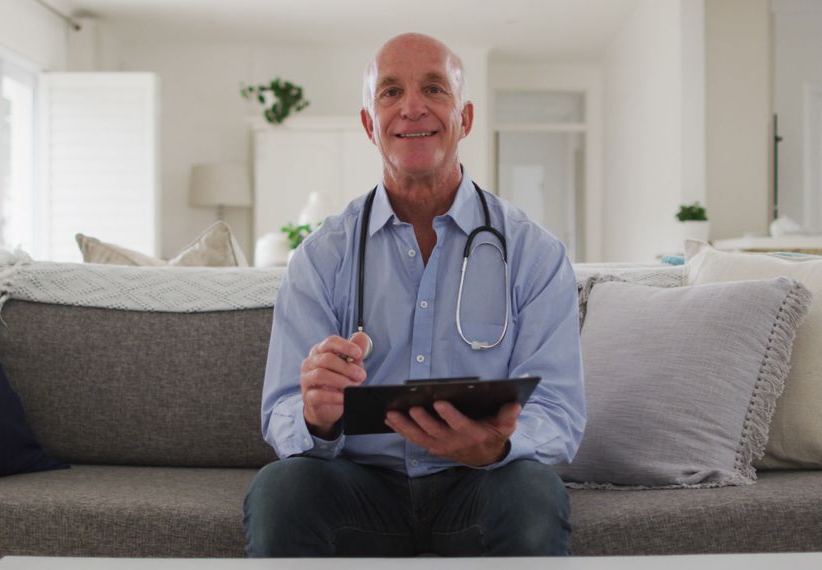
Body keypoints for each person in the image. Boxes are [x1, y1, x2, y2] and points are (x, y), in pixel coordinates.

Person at [243, 32, 585, 557]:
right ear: (368, 124)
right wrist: (317, 414)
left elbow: (559, 408)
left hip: (481, 483)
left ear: (465, 118)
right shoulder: (321, 255)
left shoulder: (533, 253)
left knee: (534, 495)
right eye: (390, 92)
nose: (412, 108)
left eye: (434, 89)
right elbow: (282, 410)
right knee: (280, 490)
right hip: (360, 485)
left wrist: (498, 444)